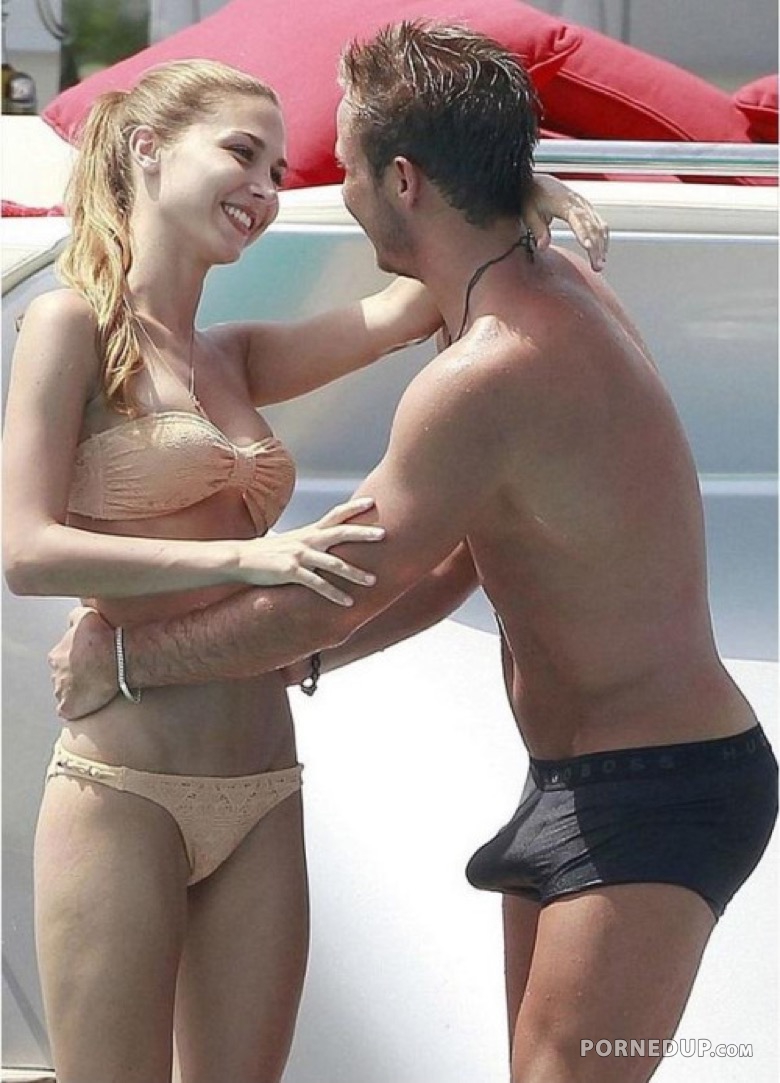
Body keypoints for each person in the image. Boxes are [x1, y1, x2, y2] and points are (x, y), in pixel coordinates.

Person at [48, 22, 779, 1083]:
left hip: (656, 788)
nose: (330, 190)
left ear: (402, 180)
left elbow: (331, 591)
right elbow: (452, 568)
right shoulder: (540, 289)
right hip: (577, 776)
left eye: (342, 166)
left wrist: (126, 659)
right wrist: (300, 664)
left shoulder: (485, 371)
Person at [1, 54, 609, 1083]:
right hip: (122, 785)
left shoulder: (235, 356)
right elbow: (25, 552)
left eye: (279, 172)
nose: (265, 188)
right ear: (148, 150)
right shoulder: (71, 325)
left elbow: (412, 307)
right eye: (242, 154)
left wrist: (512, 191)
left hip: (261, 786)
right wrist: (253, 555)